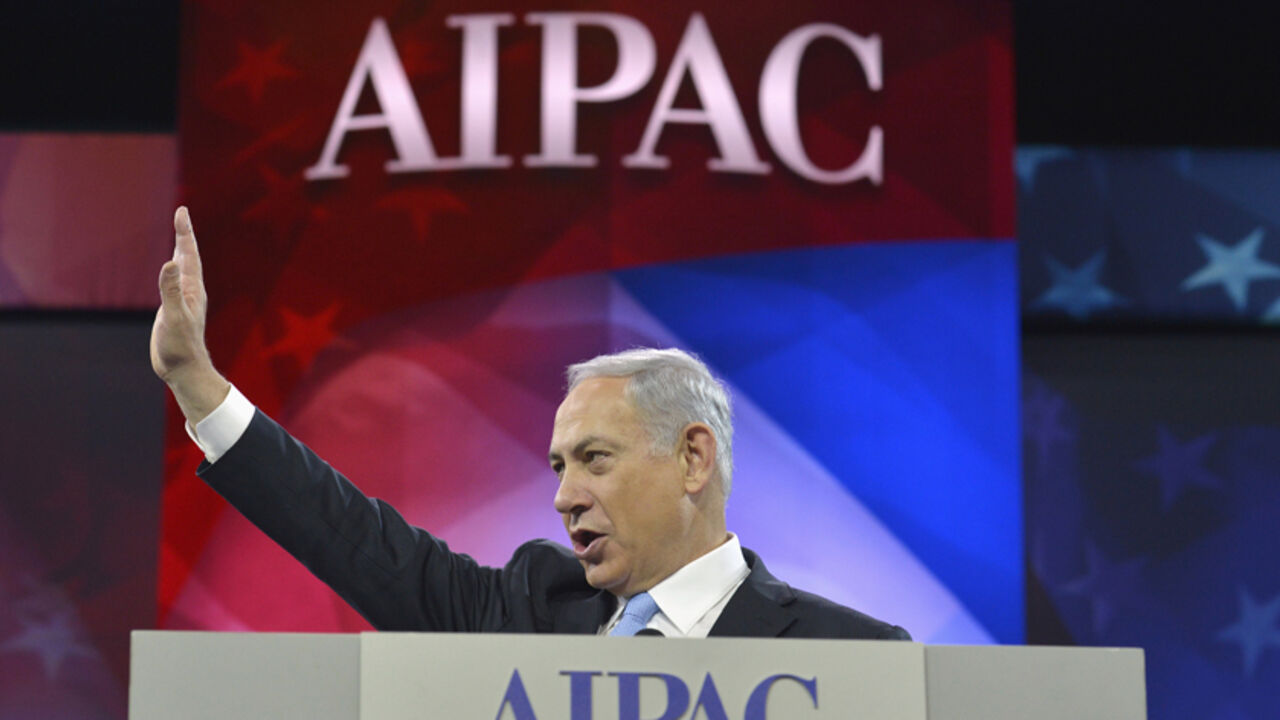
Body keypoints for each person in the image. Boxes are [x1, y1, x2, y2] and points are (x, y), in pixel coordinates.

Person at [152, 207, 910, 640]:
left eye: (595, 459)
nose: (565, 497)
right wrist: (200, 387)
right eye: (558, 467)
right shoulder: (528, 609)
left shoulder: (855, 655)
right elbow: (354, 541)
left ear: (693, 458)